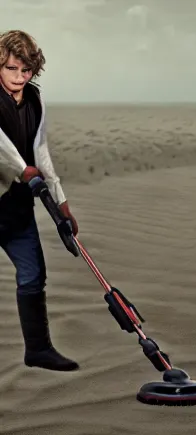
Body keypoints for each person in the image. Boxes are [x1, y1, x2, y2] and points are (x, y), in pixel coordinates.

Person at [0, 29, 79, 371]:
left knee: (33, 275)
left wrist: (61, 203)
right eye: (12, 69)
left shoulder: (34, 99)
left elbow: (40, 150)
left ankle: (38, 350)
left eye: (26, 71)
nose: (19, 77)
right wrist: (22, 170)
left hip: (15, 207)